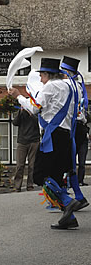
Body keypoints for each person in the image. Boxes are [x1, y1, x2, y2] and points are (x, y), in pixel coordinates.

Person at [9, 57, 82, 229]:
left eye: (41, 75)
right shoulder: (68, 86)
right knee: (57, 175)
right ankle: (68, 217)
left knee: (40, 175)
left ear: (48, 74)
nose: (40, 79)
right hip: (65, 135)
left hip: (53, 135)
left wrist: (19, 96)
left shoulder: (49, 86)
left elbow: (34, 107)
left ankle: (66, 201)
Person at [60, 56, 89, 209]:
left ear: (66, 72)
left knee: (65, 163)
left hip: (73, 127)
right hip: (79, 128)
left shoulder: (67, 86)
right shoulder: (78, 86)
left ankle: (66, 198)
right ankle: (76, 196)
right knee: (68, 163)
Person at [12, 108, 40, 192]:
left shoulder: (36, 112)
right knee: (20, 165)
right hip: (22, 141)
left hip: (34, 141)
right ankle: (17, 186)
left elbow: (39, 123)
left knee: (32, 165)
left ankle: (30, 185)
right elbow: (15, 122)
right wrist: (20, 111)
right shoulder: (21, 112)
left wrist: (31, 113)